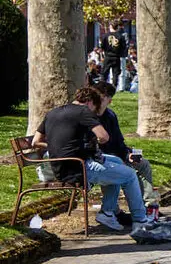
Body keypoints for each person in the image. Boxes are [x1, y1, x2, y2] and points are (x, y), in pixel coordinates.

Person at [32, 85, 150, 234]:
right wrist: (94, 142)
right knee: (129, 175)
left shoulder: (52, 112)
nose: (94, 112)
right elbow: (104, 137)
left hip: (60, 165)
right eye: (95, 108)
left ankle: (107, 213)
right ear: (90, 102)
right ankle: (141, 220)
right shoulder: (84, 112)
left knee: (117, 163)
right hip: (78, 167)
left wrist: (59, 145)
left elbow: (35, 141)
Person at [94, 82, 161, 222]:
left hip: (116, 154)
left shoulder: (110, 116)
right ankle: (113, 210)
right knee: (118, 169)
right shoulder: (88, 116)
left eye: (103, 97)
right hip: (99, 157)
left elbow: (118, 142)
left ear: (109, 100)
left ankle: (149, 206)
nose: (99, 100)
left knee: (143, 165)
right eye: (97, 96)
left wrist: (128, 154)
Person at [100, 22, 128, 88]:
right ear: (117, 27)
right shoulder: (121, 36)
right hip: (116, 57)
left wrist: (103, 54)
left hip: (107, 57)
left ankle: (102, 87)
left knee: (104, 73)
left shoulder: (105, 36)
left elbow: (102, 47)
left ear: (110, 26)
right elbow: (123, 47)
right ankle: (114, 87)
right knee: (115, 73)